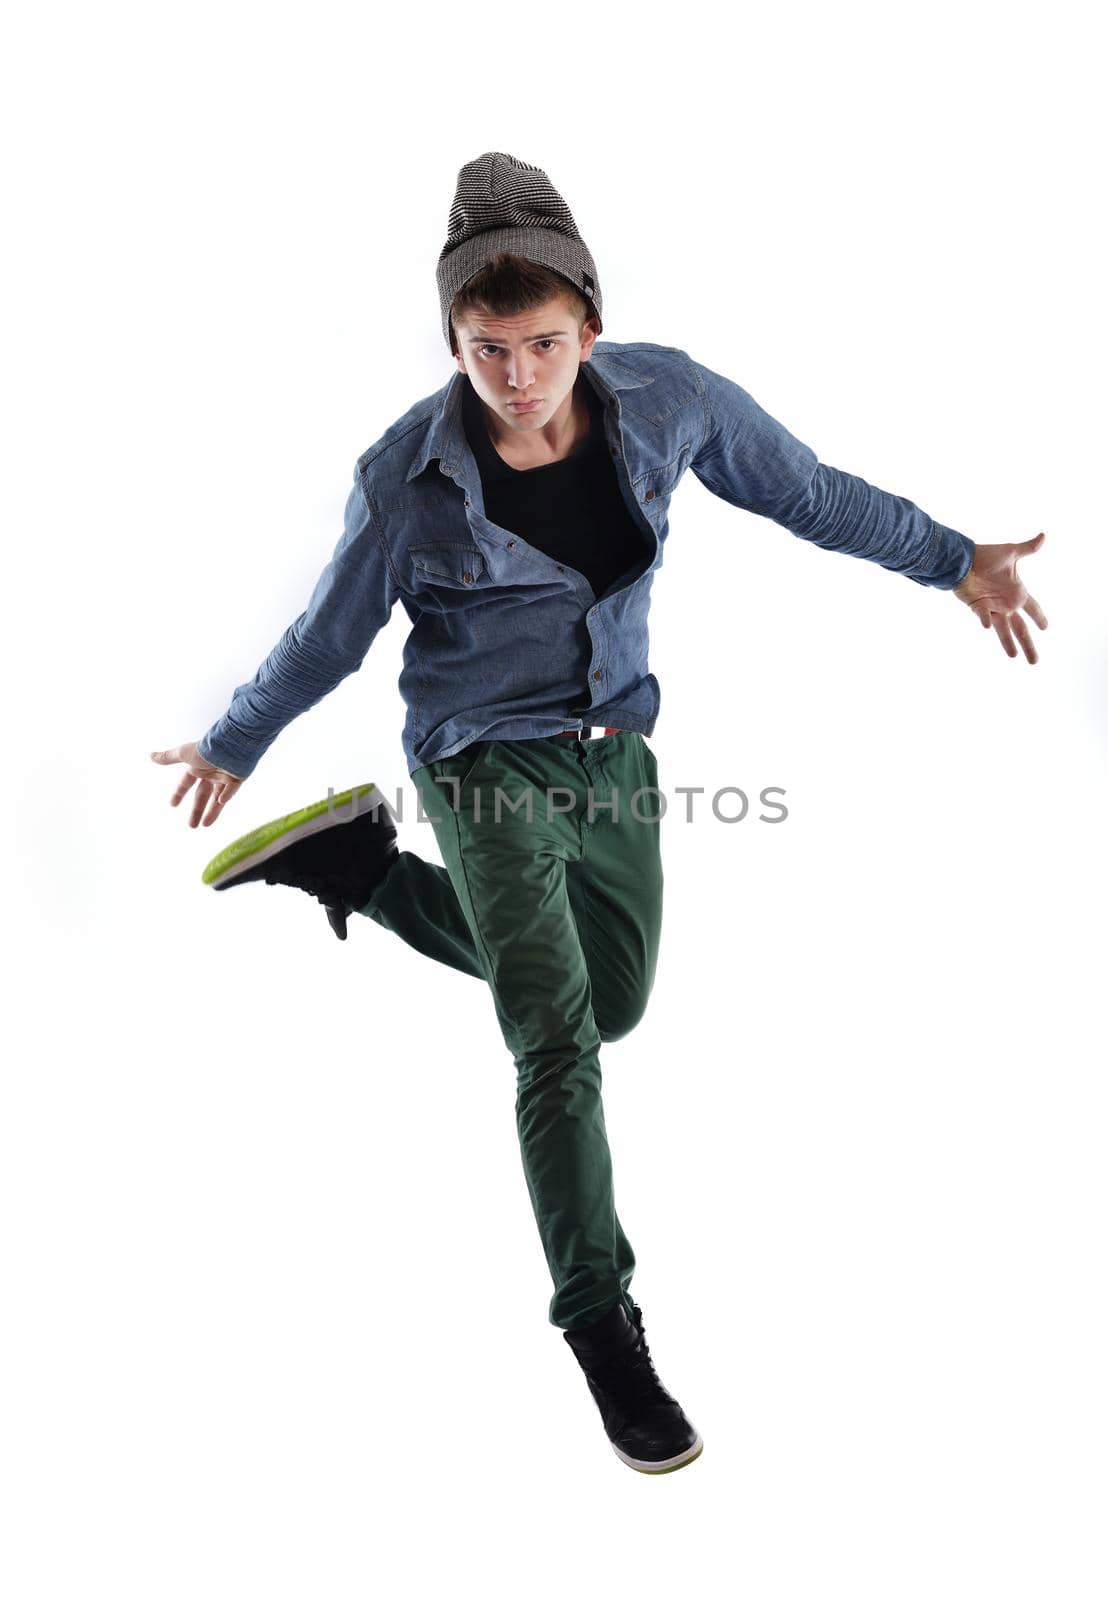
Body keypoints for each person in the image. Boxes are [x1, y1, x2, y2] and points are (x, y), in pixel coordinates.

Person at [150, 151, 1048, 1475]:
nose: (516, 378)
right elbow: (328, 633)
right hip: (477, 763)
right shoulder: (408, 479)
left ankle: (363, 870)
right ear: (455, 339)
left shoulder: (668, 402)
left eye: (544, 344)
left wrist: (954, 558)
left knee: (610, 999)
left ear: (593, 327)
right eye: (487, 348)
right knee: (557, 1043)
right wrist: (234, 739)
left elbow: (805, 491)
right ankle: (601, 1324)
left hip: (614, 746)